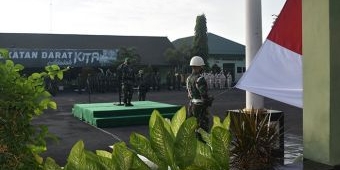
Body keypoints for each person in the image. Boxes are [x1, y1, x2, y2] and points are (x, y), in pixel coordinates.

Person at [186, 56, 213, 133]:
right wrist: (210, 99)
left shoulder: (188, 78)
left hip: (191, 106)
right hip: (199, 107)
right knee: (202, 129)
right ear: (199, 66)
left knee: (192, 128)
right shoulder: (200, 79)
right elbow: (204, 95)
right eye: (201, 66)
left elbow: (188, 94)